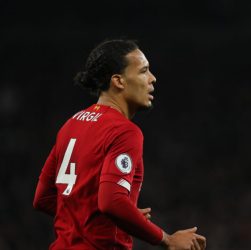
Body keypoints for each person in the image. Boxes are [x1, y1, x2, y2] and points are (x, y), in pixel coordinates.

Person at [33, 39, 206, 250]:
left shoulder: (71, 124)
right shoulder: (124, 131)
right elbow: (112, 202)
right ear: (119, 81)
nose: (153, 78)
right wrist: (167, 239)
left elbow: (43, 198)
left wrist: (121, 219)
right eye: (144, 71)